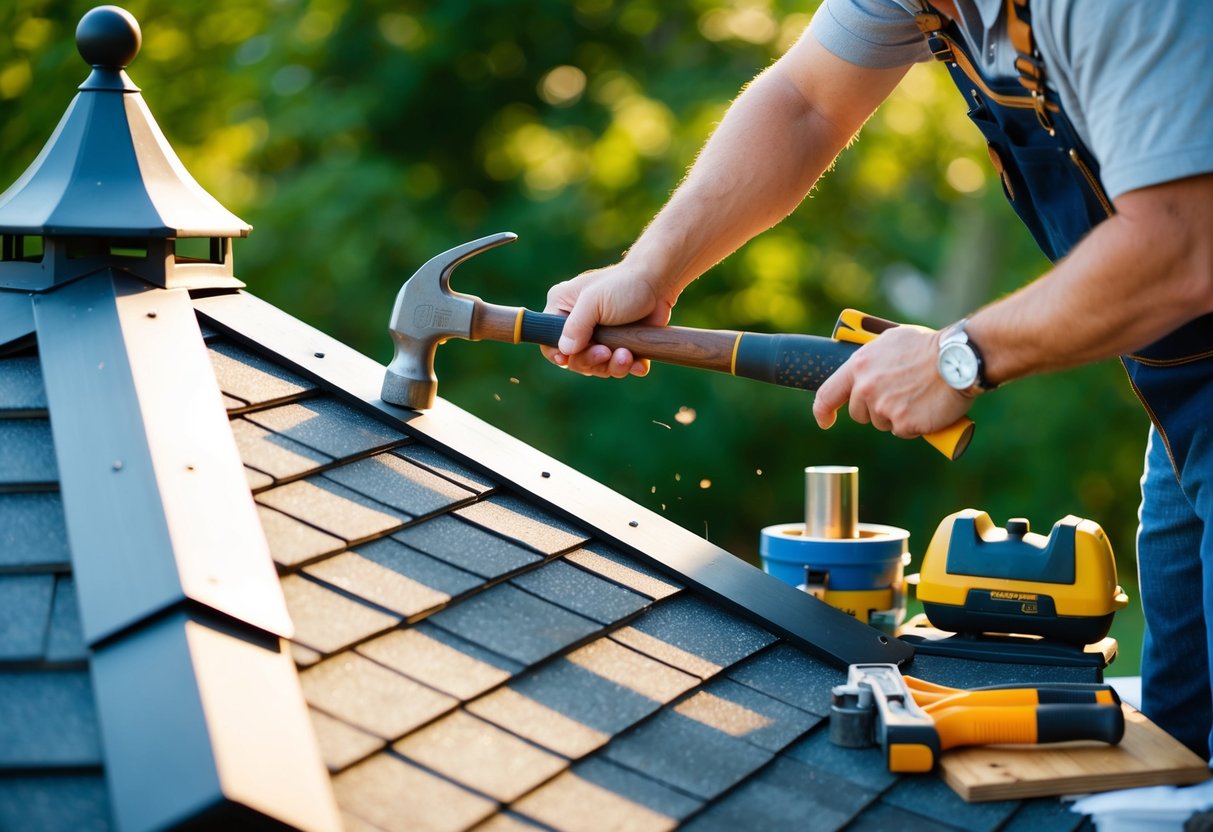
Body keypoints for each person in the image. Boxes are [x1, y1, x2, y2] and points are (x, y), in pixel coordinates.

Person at [539, 0, 1213, 759]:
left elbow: (1184, 243)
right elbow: (804, 103)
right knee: (1181, 749)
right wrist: (648, 270)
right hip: (1179, 396)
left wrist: (957, 356)